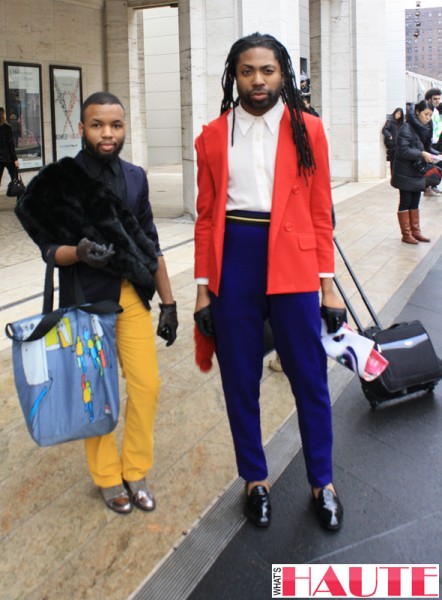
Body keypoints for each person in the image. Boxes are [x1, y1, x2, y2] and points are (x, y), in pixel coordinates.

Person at [193, 32, 346, 531]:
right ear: (233, 76)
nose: (257, 81)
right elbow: (205, 217)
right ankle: (254, 479)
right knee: (241, 379)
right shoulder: (213, 136)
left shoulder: (309, 131)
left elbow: (321, 212)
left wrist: (328, 284)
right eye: (247, 71)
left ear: (283, 74)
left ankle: (322, 481)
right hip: (234, 259)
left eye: (267, 71)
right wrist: (201, 289)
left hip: (295, 262)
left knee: (308, 376)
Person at [15, 92, 178, 514]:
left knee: (146, 386)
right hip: (85, 303)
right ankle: (108, 476)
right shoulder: (59, 179)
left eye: (115, 125)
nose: (107, 133)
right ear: (82, 128)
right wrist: (79, 252)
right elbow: (49, 248)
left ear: (125, 128)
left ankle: (136, 468)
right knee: (96, 391)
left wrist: (169, 301)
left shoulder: (136, 177)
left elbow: (150, 243)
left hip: (131, 295)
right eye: (97, 125)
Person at [391, 100, 439, 244]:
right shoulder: (407, 128)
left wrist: (436, 155)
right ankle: (406, 234)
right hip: (405, 171)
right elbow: (403, 150)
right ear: (417, 112)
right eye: (426, 114)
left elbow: (427, 147)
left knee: (415, 202)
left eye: (430, 115)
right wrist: (422, 153)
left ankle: (416, 232)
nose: (428, 118)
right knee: (406, 201)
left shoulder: (427, 127)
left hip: (418, 170)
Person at [0, 107, 19, 187]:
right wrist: (15, 159)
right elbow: (11, 145)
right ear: (3, 115)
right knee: (15, 179)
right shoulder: (7, 127)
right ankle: (19, 198)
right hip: (8, 157)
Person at [381, 107, 404, 174]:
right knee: (393, 160)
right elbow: (384, 129)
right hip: (391, 144)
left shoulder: (399, 123)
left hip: (397, 144)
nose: (398, 115)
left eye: (400, 114)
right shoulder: (390, 120)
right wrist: (389, 135)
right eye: (398, 113)